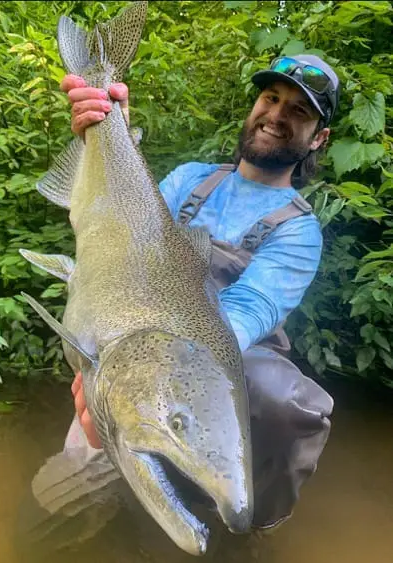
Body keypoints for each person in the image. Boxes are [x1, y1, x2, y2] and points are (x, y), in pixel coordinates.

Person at [60, 54, 338, 529]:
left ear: (318, 138)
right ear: (254, 106)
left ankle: (248, 518)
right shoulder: (190, 178)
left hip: (224, 364)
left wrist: (140, 380)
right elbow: (120, 230)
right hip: (136, 340)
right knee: (62, 505)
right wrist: (110, 132)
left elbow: (243, 315)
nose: (276, 115)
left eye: (298, 112)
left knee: (288, 400)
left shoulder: (299, 229)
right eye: (271, 99)